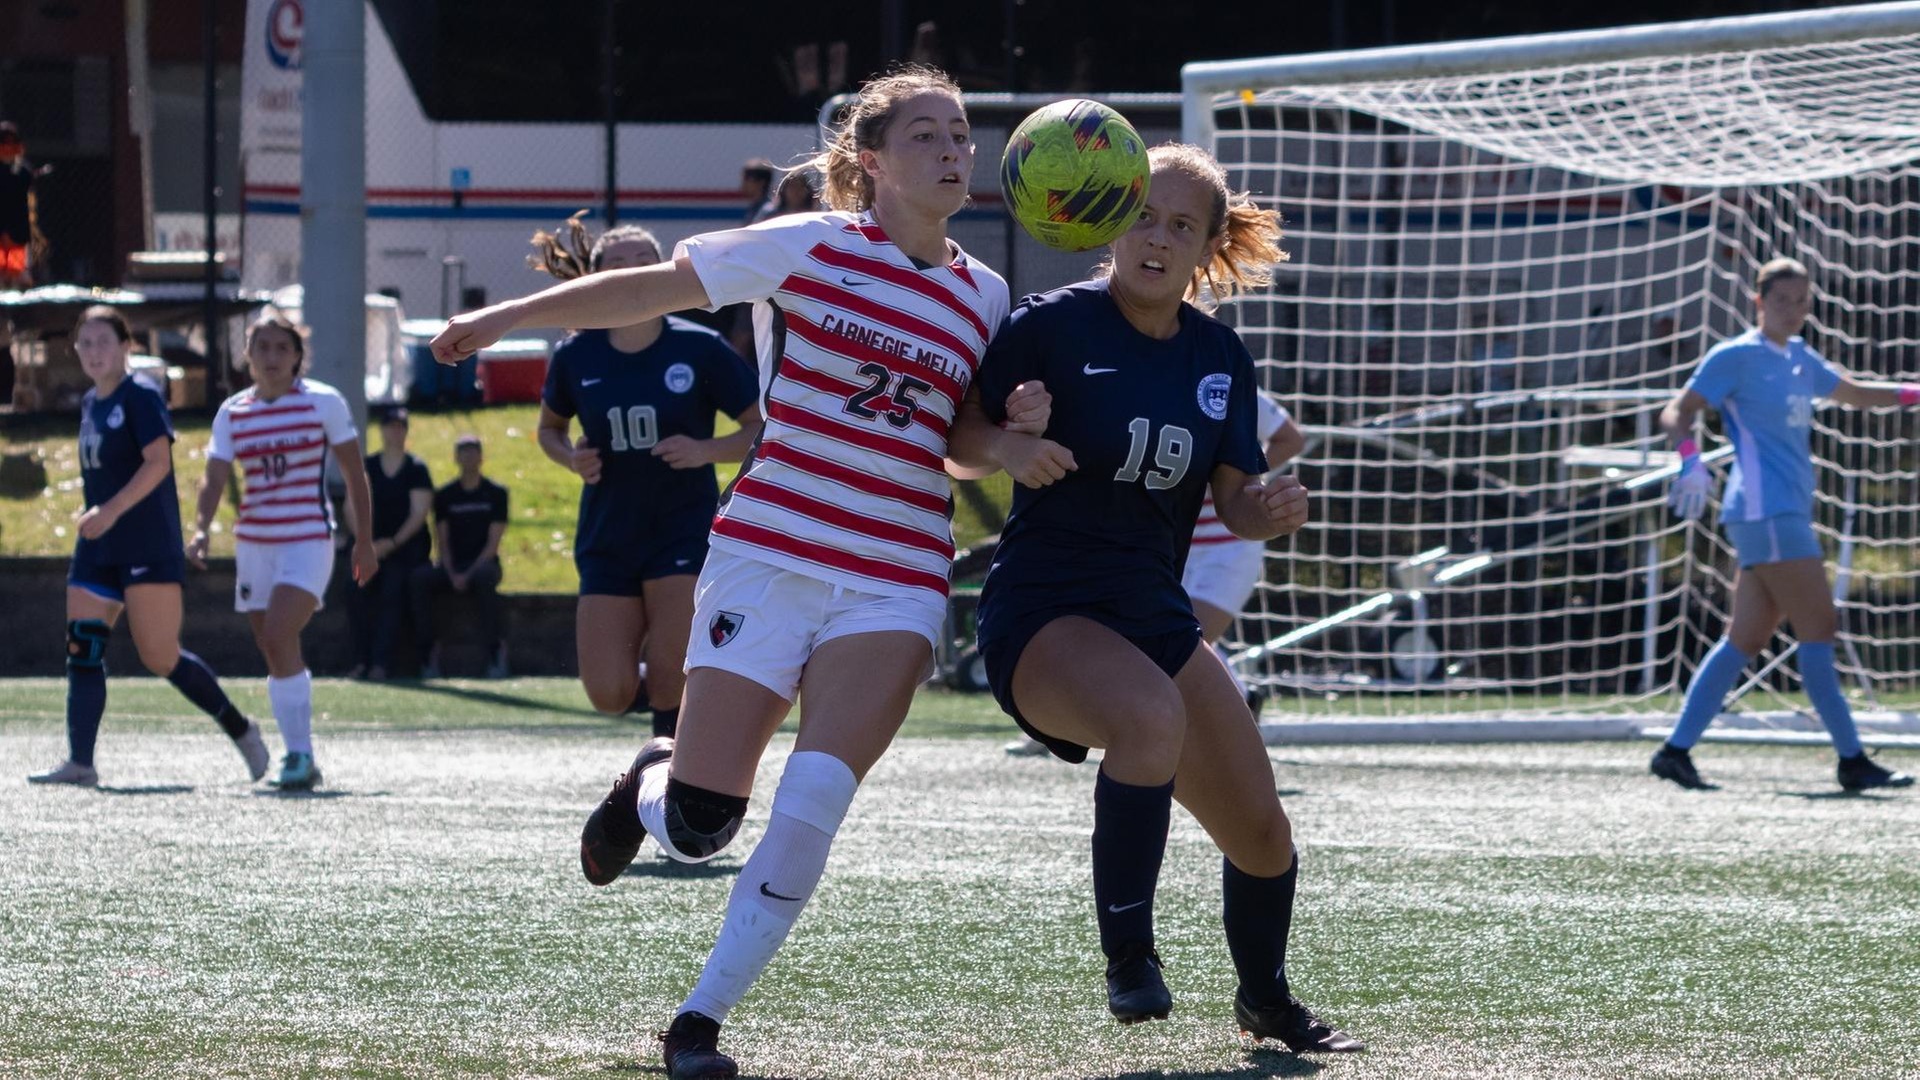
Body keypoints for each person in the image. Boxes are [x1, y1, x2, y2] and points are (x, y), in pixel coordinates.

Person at [431, 64, 1055, 1080]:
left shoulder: (984, 296)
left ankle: (698, 1021)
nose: (954, 152)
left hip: (895, 577)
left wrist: (1011, 439)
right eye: (928, 136)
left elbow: (958, 440)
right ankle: (650, 786)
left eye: (962, 136)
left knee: (812, 804)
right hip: (768, 554)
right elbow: (652, 290)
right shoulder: (807, 245)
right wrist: (505, 318)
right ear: (872, 162)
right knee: (699, 825)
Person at [971, 142, 1363, 1054]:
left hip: (1153, 613)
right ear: (1111, 223)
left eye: (1182, 225)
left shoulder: (1221, 353)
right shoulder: (1048, 325)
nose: (1158, 237)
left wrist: (1265, 512)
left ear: (1207, 247)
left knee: (1263, 833)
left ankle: (1266, 1001)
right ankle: (1130, 962)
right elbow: (958, 435)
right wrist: (1006, 444)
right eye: (1143, 216)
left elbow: (1232, 499)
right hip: (1043, 611)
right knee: (1148, 721)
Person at [1654, 256, 1916, 793]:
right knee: (1819, 628)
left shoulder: (1799, 356)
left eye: (1802, 302)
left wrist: (1911, 392)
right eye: (1782, 301)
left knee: (1744, 639)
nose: (1794, 312)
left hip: (1783, 511)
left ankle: (1674, 751)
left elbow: (1852, 392)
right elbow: (1677, 410)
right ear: (1758, 302)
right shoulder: (1736, 356)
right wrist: (1689, 457)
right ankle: (1852, 760)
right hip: (1765, 510)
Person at [530, 222, 764, 735]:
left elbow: (760, 428)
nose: (631, 273)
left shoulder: (700, 349)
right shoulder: (576, 354)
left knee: (668, 675)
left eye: (643, 262)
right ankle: (668, 709)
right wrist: (571, 458)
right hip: (608, 531)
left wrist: (705, 449)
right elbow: (549, 430)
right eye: (617, 265)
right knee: (608, 694)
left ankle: (666, 774)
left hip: (681, 526)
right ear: (595, 279)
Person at [27, 306, 269, 787]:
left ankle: (242, 729)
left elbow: (158, 463)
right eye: (85, 343)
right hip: (98, 547)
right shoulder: (91, 402)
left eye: (103, 341)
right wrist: (97, 517)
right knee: (83, 647)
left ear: (126, 347)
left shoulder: (140, 396)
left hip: (145, 542)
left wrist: (112, 511)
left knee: (159, 656)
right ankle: (81, 762)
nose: (93, 352)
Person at [1006, 391, 1303, 754]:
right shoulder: (1148, 376)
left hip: (1230, 544)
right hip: (1172, 536)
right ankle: (1240, 701)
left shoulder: (1229, 382)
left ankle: (1232, 723)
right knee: (1146, 642)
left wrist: (1236, 476)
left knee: (1181, 644)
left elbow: (1290, 437)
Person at [188, 315, 377, 791]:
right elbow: (213, 478)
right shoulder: (233, 412)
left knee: (276, 633)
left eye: (281, 348)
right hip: (254, 544)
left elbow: (356, 475)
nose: (271, 357)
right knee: (273, 647)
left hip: (307, 540)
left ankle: (299, 753)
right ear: (246, 355)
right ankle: (299, 756)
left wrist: (366, 539)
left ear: (297, 356)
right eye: (261, 347)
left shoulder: (323, 403)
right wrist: (201, 530)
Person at [411, 434, 510, 678]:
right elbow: (441, 539)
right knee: (418, 579)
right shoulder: (445, 495)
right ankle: (427, 651)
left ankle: (495, 651)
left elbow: (493, 543)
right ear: (456, 458)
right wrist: (452, 571)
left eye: (473, 452)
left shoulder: (496, 493)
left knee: (485, 579)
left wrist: (467, 574)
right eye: (463, 452)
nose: (468, 457)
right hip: (452, 566)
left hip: (483, 565)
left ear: (481, 457)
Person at [346, 407, 432, 679]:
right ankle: (360, 660)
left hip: (404, 550)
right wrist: (366, 542)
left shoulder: (416, 469)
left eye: (401, 426)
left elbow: (419, 513)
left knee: (393, 591)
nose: (395, 431)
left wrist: (391, 544)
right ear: (381, 430)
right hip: (369, 547)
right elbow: (351, 506)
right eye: (390, 425)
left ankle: (381, 664)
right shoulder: (367, 466)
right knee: (355, 591)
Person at [0, 121, 49, 289]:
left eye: (12, 144)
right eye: (4, 143)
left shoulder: (22, 170)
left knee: (16, 271)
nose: (8, 148)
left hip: (16, 233)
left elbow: (25, 182)